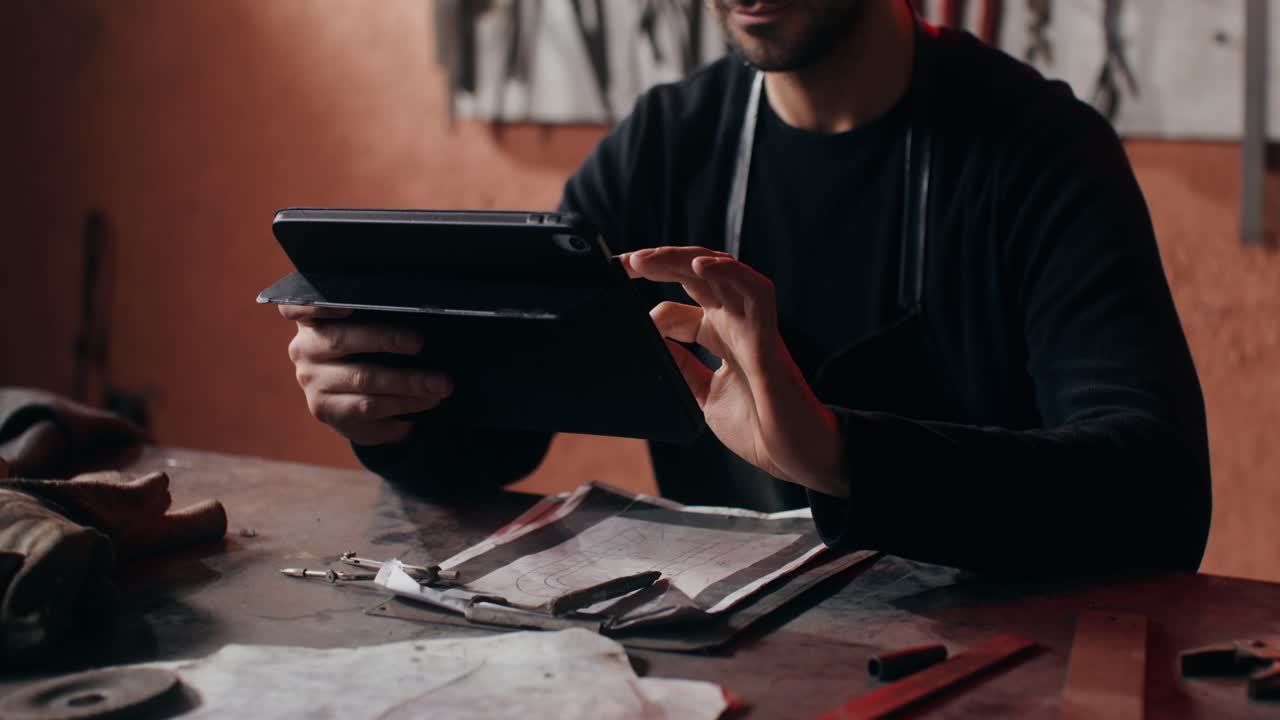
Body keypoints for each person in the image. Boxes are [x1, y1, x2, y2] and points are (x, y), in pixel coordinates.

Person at [281, 0, 1211, 573]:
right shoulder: (664, 146)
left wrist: (840, 455)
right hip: (738, 664)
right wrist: (390, 407)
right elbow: (506, 429)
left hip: (991, 667)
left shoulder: (1041, 154)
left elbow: (1156, 497)